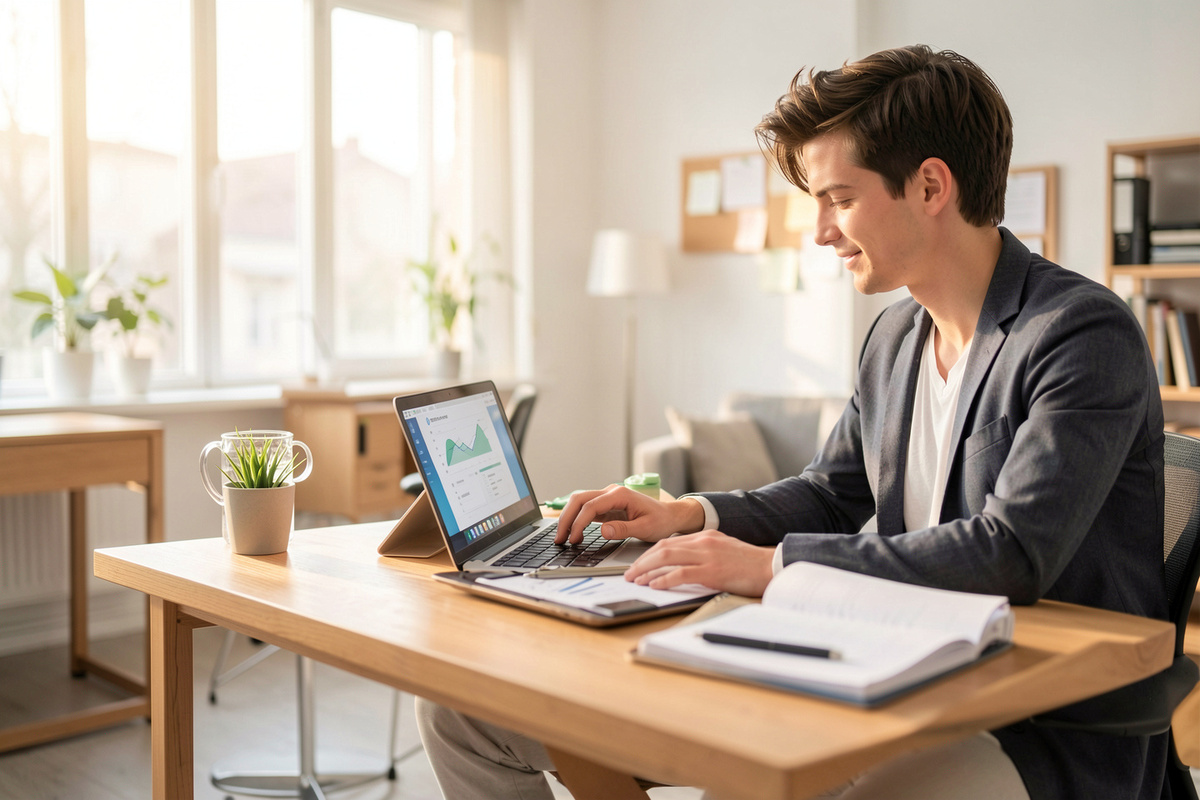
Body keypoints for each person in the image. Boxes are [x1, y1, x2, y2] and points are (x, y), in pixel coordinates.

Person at [415, 44, 1169, 800]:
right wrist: (684, 515)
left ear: (931, 185)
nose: (819, 231)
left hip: (1033, 720)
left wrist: (769, 567)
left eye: (839, 198)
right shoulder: (895, 337)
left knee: (755, 780)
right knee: (464, 712)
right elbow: (832, 492)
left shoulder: (1078, 333)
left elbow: (1011, 555)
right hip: (889, 664)